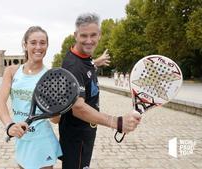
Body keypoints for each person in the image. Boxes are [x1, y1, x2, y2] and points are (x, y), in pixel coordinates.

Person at [58, 13, 141, 169]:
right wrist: (116, 122)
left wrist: (94, 63)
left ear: (100, 35)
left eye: (93, 35)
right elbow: (78, 108)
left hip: (84, 133)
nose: (89, 40)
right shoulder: (72, 65)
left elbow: (84, 72)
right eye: (83, 36)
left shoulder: (84, 58)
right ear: (75, 35)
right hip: (76, 136)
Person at [0, 26, 62, 169]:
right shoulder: (12, 72)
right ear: (25, 45)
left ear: (47, 46)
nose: (38, 47)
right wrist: (9, 125)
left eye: (42, 43)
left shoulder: (51, 77)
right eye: (33, 42)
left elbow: (55, 120)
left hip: (42, 140)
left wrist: (56, 106)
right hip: (22, 139)